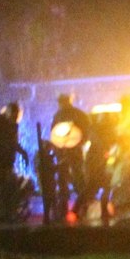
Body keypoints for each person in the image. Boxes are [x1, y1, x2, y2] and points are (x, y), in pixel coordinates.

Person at [48, 92, 92, 222]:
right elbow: (55, 133)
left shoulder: (68, 115)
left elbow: (86, 130)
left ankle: (79, 205)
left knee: (73, 178)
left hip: (70, 151)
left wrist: (79, 142)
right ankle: (74, 206)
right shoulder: (66, 115)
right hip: (65, 152)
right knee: (68, 179)